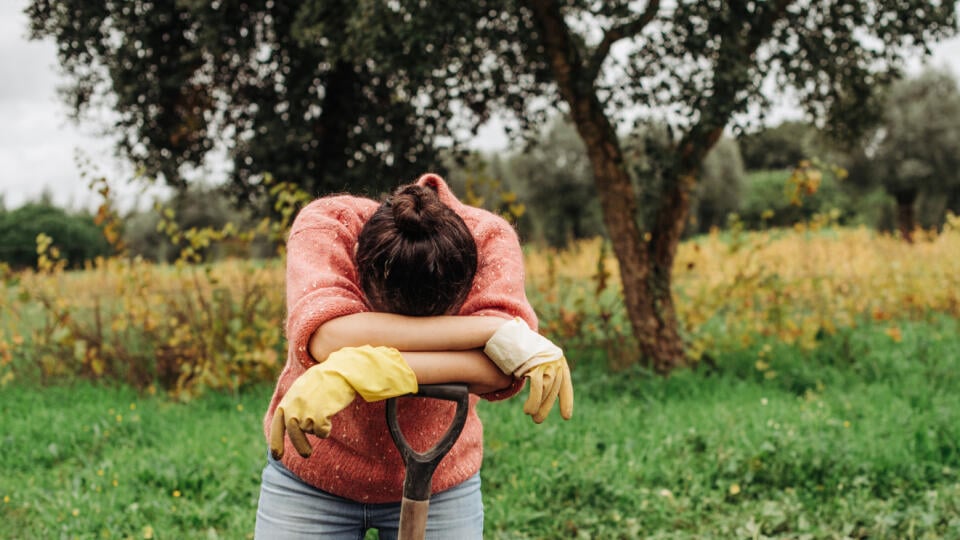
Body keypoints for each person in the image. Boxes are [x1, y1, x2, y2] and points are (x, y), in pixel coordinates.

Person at [254, 173, 573, 539]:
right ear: (359, 260)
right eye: (389, 317)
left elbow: (499, 372)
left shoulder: (487, 240)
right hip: (313, 476)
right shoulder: (328, 226)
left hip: (441, 480)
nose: (412, 330)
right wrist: (491, 333)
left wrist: (362, 365)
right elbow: (326, 338)